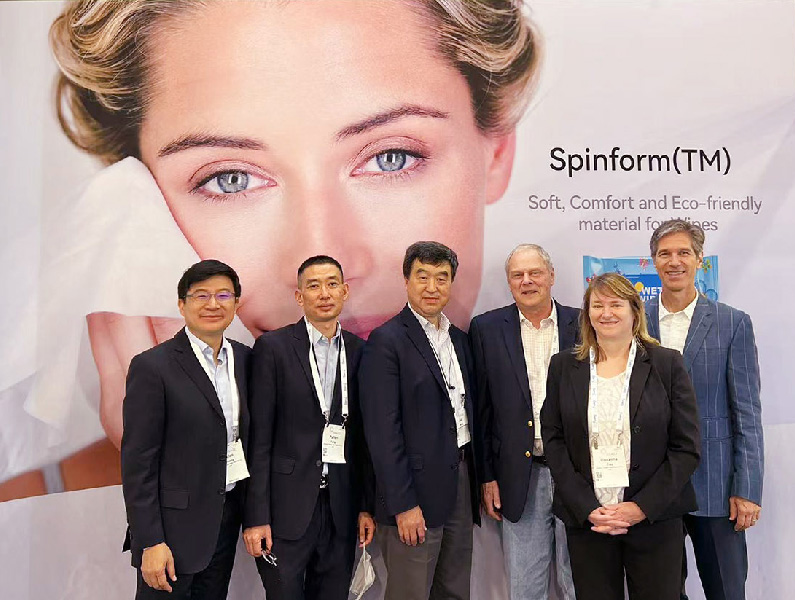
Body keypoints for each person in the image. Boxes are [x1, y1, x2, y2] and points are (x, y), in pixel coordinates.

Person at [9, 1, 542, 509]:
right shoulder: (22, 529)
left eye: (391, 157)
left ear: (495, 150)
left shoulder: (577, 476)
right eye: (231, 179)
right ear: (132, 203)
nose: (323, 263)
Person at [540, 272, 701, 600]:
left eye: (616, 304)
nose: (606, 313)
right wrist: (586, 506)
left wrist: (641, 507)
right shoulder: (563, 367)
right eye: (597, 305)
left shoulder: (667, 364)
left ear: (634, 312)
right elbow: (554, 440)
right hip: (590, 522)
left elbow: (686, 447)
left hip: (654, 520)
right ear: (587, 314)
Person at [243, 255, 375, 600]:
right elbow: (259, 440)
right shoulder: (273, 348)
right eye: (314, 286)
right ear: (299, 297)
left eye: (332, 284)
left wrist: (365, 505)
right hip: (285, 511)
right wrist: (256, 516)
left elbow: (363, 439)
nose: (324, 293)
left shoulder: (360, 351)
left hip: (341, 508)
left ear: (345, 291)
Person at [645, 219, 764, 600]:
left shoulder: (732, 323)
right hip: (651, 488)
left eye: (684, 253)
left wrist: (747, 489)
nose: (674, 261)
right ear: (653, 261)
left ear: (700, 260)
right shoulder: (633, 321)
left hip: (716, 487)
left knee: (725, 590)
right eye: (665, 254)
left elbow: (747, 413)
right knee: (660, 592)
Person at [121, 259, 251, 600]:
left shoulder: (246, 360)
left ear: (237, 303)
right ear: (182, 304)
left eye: (223, 295)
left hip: (225, 520)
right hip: (171, 530)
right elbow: (138, 464)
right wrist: (150, 541)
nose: (213, 304)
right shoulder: (153, 366)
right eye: (201, 295)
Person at [359, 241, 480, 600]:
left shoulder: (459, 340)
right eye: (422, 277)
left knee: (455, 589)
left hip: (460, 482)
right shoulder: (386, 341)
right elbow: (382, 432)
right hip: (413, 491)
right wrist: (403, 504)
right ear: (407, 281)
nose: (432, 287)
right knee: (409, 591)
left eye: (441, 278)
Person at [469, 244, 578, 600]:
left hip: (578, 476)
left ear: (551, 276)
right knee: (525, 588)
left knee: (581, 583)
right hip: (519, 478)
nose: (527, 281)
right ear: (509, 281)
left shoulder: (584, 323)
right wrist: (487, 476)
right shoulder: (486, 329)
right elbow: (481, 410)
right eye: (518, 275)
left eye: (535, 273)